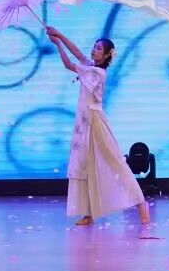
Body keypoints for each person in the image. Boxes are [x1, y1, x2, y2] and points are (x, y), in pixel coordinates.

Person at [43, 26, 151, 228]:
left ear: (107, 55)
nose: (94, 50)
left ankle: (141, 204)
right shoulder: (91, 66)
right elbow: (76, 54)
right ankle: (88, 213)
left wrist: (58, 42)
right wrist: (60, 36)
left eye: (99, 48)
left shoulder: (97, 72)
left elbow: (69, 64)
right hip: (84, 121)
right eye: (94, 46)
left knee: (115, 163)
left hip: (95, 121)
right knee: (84, 165)